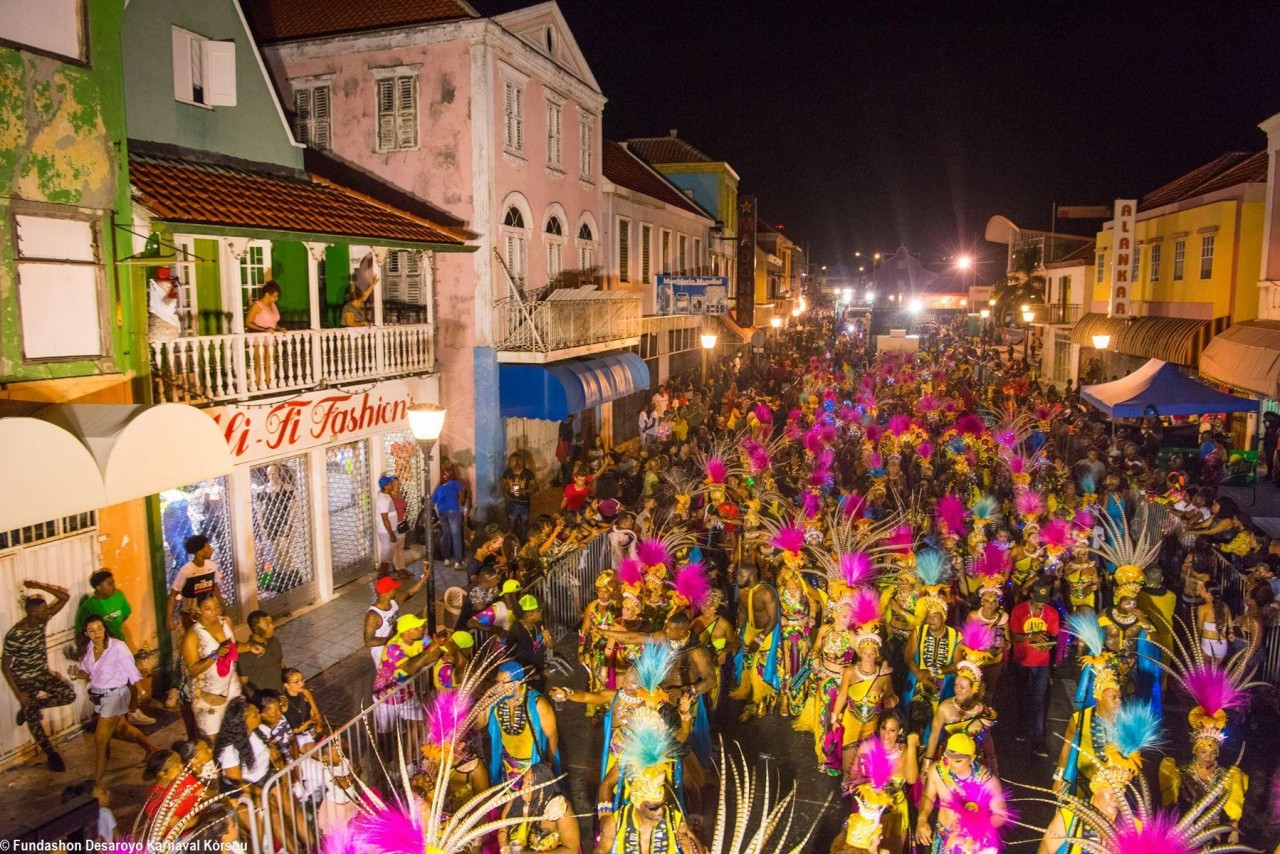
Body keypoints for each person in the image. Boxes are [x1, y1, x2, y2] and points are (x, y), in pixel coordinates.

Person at [71, 614, 157, 784]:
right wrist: (76, 673)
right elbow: (87, 673)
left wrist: (140, 692)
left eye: (100, 628)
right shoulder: (88, 649)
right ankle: (151, 749)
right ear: (86, 633)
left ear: (105, 628)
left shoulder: (117, 647)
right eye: (92, 630)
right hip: (99, 697)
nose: (97, 633)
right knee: (122, 730)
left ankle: (97, 784)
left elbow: (132, 672)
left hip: (116, 695)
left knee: (101, 739)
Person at [3, 579, 74, 770]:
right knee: (33, 718)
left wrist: (39, 586)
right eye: (42, 611)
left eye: (45, 610)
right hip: (24, 680)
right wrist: (19, 694)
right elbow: (5, 666)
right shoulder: (15, 635)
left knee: (68, 695)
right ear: (32, 614)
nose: (47, 612)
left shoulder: (41, 622)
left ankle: (32, 706)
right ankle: (51, 754)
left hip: (41, 673)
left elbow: (65, 597)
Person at [913, 732, 1007, 852]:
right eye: (948, 758)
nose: (951, 764)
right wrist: (922, 819)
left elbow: (1001, 815)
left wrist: (977, 828)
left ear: (971, 758)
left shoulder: (986, 781)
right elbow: (928, 797)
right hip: (943, 838)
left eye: (958, 761)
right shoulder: (937, 771)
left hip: (971, 843)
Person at [486, 662, 560, 785]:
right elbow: (479, 725)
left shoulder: (538, 703)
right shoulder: (497, 702)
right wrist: (486, 707)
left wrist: (549, 763)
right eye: (497, 682)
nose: (498, 688)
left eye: (502, 683)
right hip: (507, 765)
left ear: (516, 683)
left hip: (532, 766)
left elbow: (552, 735)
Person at [1008, 580, 1058, 757]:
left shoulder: (1051, 613)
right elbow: (1013, 636)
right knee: (1021, 696)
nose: (1041, 605)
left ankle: (1038, 740)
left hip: (1041, 663)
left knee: (1038, 701)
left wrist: (1049, 645)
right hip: (1021, 661)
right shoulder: (1019, 611)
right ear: (1031, 596)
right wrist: (1032, 635)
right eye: (1038, 601)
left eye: (1044, 601)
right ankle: (1021, 727)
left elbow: (1053, 635)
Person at [181, 592, 241, 737]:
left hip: (232, 685)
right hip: (209, 693)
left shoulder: (226, 622)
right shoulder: (193, 635)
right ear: (199, 610)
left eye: (216, 607)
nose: (214, 612)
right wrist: (214, 655)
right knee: (212, 737)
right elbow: (193, 670)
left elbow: (233, 647)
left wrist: (250, 646)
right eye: (208, 608)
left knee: (236, 731)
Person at [730, 561, 781, 722]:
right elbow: (743, 612)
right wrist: (738, 633)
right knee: (748, 664)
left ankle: (760, 701)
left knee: (761, 668)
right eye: (738, 574)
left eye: (741, 575)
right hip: (750, 630)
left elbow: (773, 620)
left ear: (751, 576)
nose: (737, 578)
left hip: (766, 633)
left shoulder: (766, 592)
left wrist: (758, 640)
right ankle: (749, 693)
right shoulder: (741, 590)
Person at [498, 763, 580, 854]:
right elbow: (502, 830)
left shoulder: (558, 809)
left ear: (542, 789)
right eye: (524, 782)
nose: (523, 787)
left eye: (530, 784)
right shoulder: (515, 801)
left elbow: (571, 850)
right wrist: (506, 849)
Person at [363, 573, 425, 666]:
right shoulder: (373, 615)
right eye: (394, 588)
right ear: (387, 593)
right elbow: (369, 642)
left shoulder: (393, 602)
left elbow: (411, 592)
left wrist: (424, 577)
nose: (396, 590)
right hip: (382, 652)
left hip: (395, 647)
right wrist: (393, 638)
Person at [238, 610, 285, 698]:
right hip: (265, 701)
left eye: (271, 623)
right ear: (255, 629)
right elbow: (243, 685)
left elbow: (281, 664)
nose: (272, 626)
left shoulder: (275, 641)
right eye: (267, 625)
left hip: (281, 693)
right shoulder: (245, 654)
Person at [507, 594, 549, 689]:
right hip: (525, 680)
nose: (541, 612)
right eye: (539, 611)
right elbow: (519, 660)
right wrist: (540, 672)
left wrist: (548, 639)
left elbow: (551, 645)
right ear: (531, 615)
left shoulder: (538, 625)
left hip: (538, 674)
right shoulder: (518, 632)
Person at [431, 474, 468, 567]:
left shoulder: (439, 488)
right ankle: (458, 562)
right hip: (453, 510)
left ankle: (446, 559)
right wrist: (465, 501)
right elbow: (462, 499)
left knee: (446, 534)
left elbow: (432, 503)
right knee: (456, 535)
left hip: (442, 511)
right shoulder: (457, 483)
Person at [375, 474, 405, 578]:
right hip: (386, 531)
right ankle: (382, 576)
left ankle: (384, 576)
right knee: (386, 554)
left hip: (390, 529)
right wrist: (391, 533)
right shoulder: (383, 499)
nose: (393, 485)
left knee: (388, 555)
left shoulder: (386, 496)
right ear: (386, 486)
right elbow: (385, 518)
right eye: (390, 483)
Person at [502, 453, 535, 541]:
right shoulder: (507, 472)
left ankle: (522, 542)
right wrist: (506, 494)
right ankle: (510, 543)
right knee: (511, 525)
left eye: (512, 461)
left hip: (524, 503)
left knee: (524, 525)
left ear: (519, 462)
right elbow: (504, 484)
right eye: (509, 461)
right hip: (512, 502)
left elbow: (535, 487)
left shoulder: (528, 473)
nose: (509, 463)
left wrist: (524, 491)